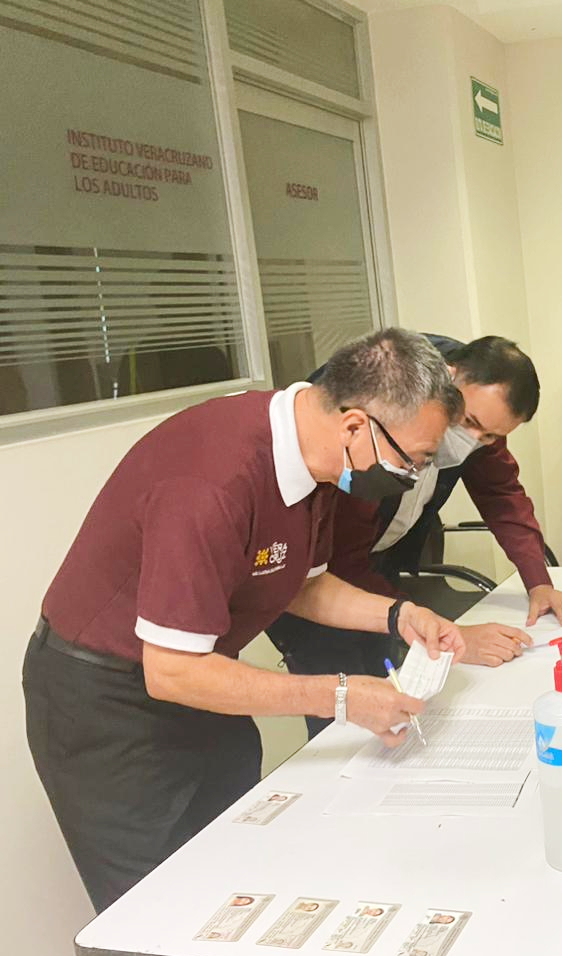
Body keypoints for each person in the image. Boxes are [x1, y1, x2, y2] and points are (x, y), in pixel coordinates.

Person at [22, 329, 468, 912]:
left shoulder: (317, 461)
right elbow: (172, 672)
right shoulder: (212, 482)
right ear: (357, 426)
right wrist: (340, 697)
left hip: (200, 679)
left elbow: (300, 584)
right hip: (108, 705)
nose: (411, 478)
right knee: (157, 913)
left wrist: (399, 614)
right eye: (414, 461)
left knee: (239, 873)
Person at [269, 335, 562, 737]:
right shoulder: (384, 414)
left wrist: (537, 580)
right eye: (469, 423)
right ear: (448, 380)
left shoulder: (481, 415)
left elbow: (501, 493)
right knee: (343, 714)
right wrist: (453, 640)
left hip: (375, 561)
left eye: (489, 436)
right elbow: (342, 558)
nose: (474, 440)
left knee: (393, 688)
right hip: (313, 575)